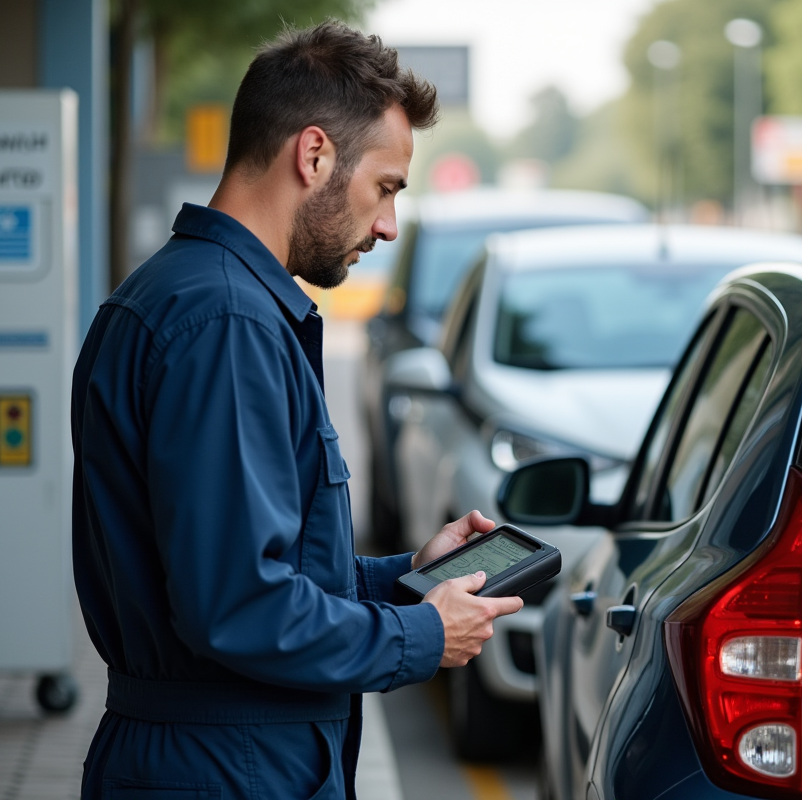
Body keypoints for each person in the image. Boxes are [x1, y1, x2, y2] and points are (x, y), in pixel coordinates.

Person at [71, 21, 522, 799]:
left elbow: (246, 563)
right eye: (384, 187)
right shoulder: (227, 323)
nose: (387, 225)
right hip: (226, 768)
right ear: (313, 156)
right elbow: (237, 604)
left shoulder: (186, 295)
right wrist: (423, 631)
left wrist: (401, 578)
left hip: (211, 756)